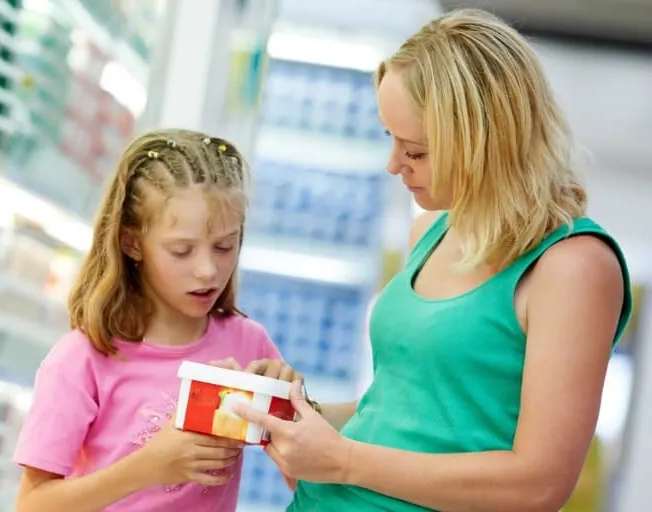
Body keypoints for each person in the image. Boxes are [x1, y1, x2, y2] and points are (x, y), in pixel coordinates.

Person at [233, 9, 633, 512]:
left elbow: (537, 484)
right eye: (390, 140)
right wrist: (294, 415)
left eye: (416, 151)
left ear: (486, 141)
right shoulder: (431, 230)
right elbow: (403, 415)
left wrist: (342, 461)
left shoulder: (574, 267)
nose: (393, 165)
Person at [12, 128, 293, 512]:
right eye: (181, 251)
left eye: (225, 246)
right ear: (131, 243)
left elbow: (304, 473)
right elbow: (32, 505)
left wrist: (294, 406)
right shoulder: (84, 358)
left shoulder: (248, 344)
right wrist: (148, 467)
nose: (208, 270)